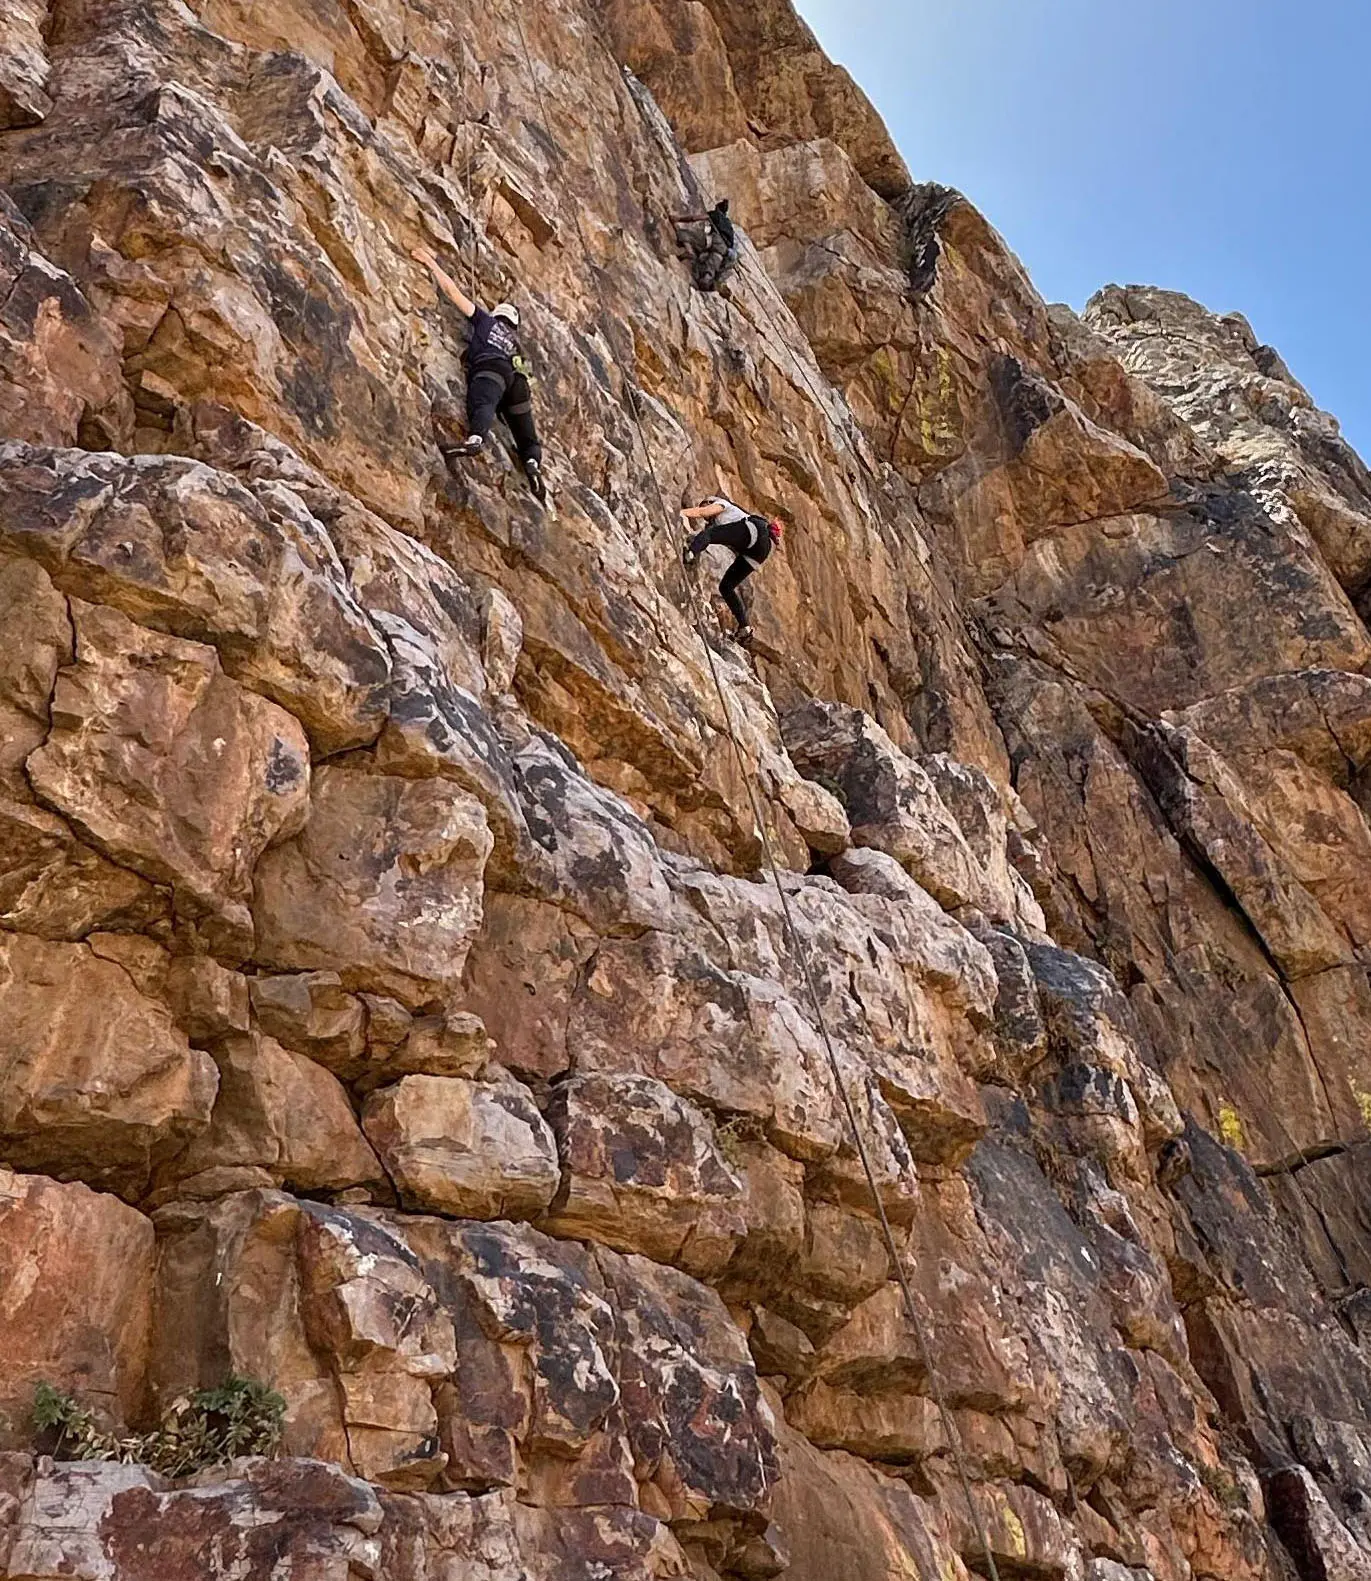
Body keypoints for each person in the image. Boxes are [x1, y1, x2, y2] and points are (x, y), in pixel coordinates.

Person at [411, 245, 547, 504]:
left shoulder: (486, 322)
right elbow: (529, 379)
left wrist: (431, 262)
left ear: (497, 315)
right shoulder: (517, 345)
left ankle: (474, 440)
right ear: (515, 325)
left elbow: (452, 292)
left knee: (483, 402)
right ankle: (531, 462)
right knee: (525, 432)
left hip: (491, 369)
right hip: (517, 383)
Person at [681, 495, 783, 645]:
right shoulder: (723, 522)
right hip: (760, 551)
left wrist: (681, 513)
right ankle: (745, 627)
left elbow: (702, 513)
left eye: (705, 505)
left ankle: (689, 554)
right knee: (726, 587)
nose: (707, 518)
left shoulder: (723, 505)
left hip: (753, 531)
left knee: (708, 535)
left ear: (710, 502)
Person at [671, 198, 739, 292]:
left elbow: (694, 218)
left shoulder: (716, 215)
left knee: (684, 234)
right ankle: (706, 279)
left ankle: (689, 251)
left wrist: (678, 219)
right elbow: (731, 244)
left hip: (714, 241)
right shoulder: (729, 225)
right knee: (710, 267)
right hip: (723, 251)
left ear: (717, 209)